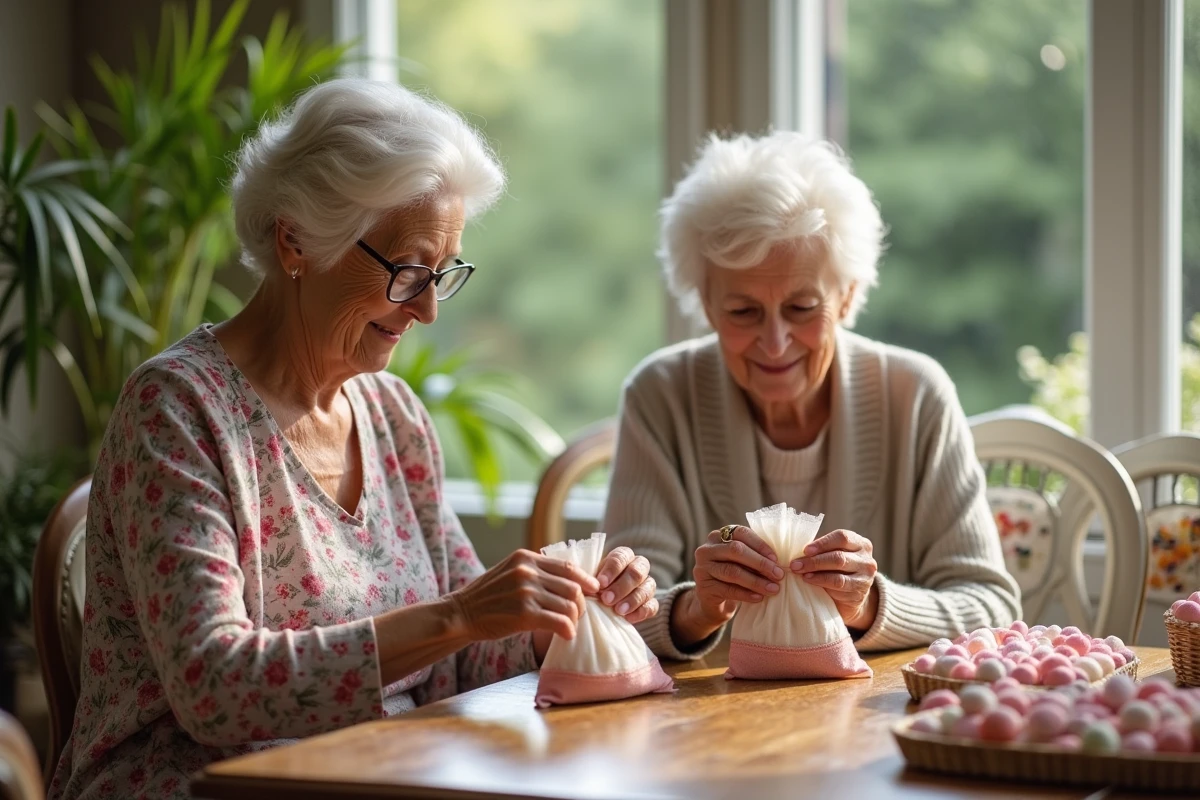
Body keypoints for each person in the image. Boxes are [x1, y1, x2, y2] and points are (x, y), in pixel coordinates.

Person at [50, 79, 656, 800]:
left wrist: (561, 613)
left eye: (443, 273)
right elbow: (213, 687)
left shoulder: (393, 415)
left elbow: (463, 662)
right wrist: (458, 616)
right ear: (296, 241)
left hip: (381, 774)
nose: (428, 308)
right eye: (407, 271)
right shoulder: (176, 409)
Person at [600, 131, 1020, 661]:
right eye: (743, 312)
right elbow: (615, 611)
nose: (775, 343)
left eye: (802, 308)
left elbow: (993, 606)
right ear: (705, 304)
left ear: (846, 297)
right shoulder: (660, 395)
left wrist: (867, 608)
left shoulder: (915, 395)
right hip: (707, 727)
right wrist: (697, 610)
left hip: (878, 720)